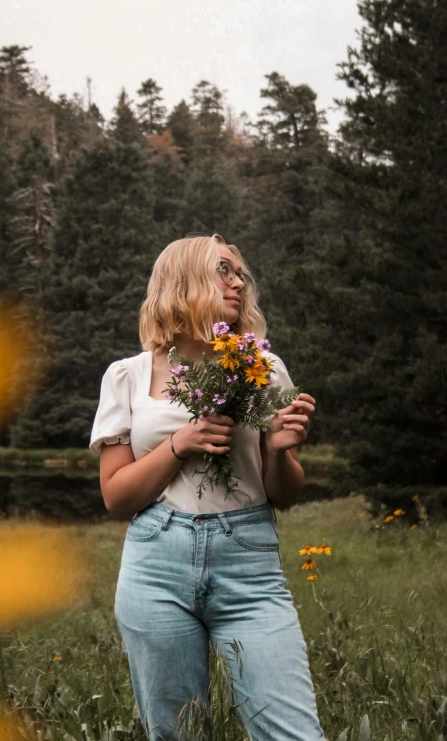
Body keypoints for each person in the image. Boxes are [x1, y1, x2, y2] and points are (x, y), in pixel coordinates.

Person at [90, 233, 325, 741]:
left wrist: (281, 449)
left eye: (240, 273)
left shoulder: (263, 366)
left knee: (292, 732)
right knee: (178, 734)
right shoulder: (127, 376)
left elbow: (283, 492)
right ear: (184, 281)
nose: (238, 281)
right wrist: (182, 442)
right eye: (224, 270)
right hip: (156, 566)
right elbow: (115, 496)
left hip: (249, 565)